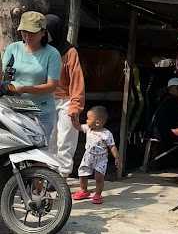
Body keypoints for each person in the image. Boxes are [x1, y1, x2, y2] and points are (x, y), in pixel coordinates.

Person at [1, 11, 61, 141]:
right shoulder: (13, 48)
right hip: (13, 110)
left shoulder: (52, 54)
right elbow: (4, 75)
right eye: (24, 31)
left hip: (41, 112)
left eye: (32, 32)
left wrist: (24, 89)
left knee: (36, 153)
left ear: (43, 32)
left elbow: (52, 86)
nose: (27, 36)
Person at [45, 14, 85, 178]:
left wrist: (75, 106)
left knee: (65, 140)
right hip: (46, 100)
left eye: (47, 31)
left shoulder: (69, 52)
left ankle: (62, 177)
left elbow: (77, 80)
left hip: (66, 100)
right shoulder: (41, 50)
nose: (44, 35)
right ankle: (48, 176)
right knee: (49, 141)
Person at [73, 106, 119, 205]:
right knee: (82, 174)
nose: (86, 120)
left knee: (99, 178)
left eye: (88, 118)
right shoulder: (88, 128)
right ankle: (84, 191)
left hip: (101, 160)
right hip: (88, 157)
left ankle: (98, 194)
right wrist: (74, 118)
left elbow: (112, 146)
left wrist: (117, 157)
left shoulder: (106, 134)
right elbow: (77, 126)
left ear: (97, 122)